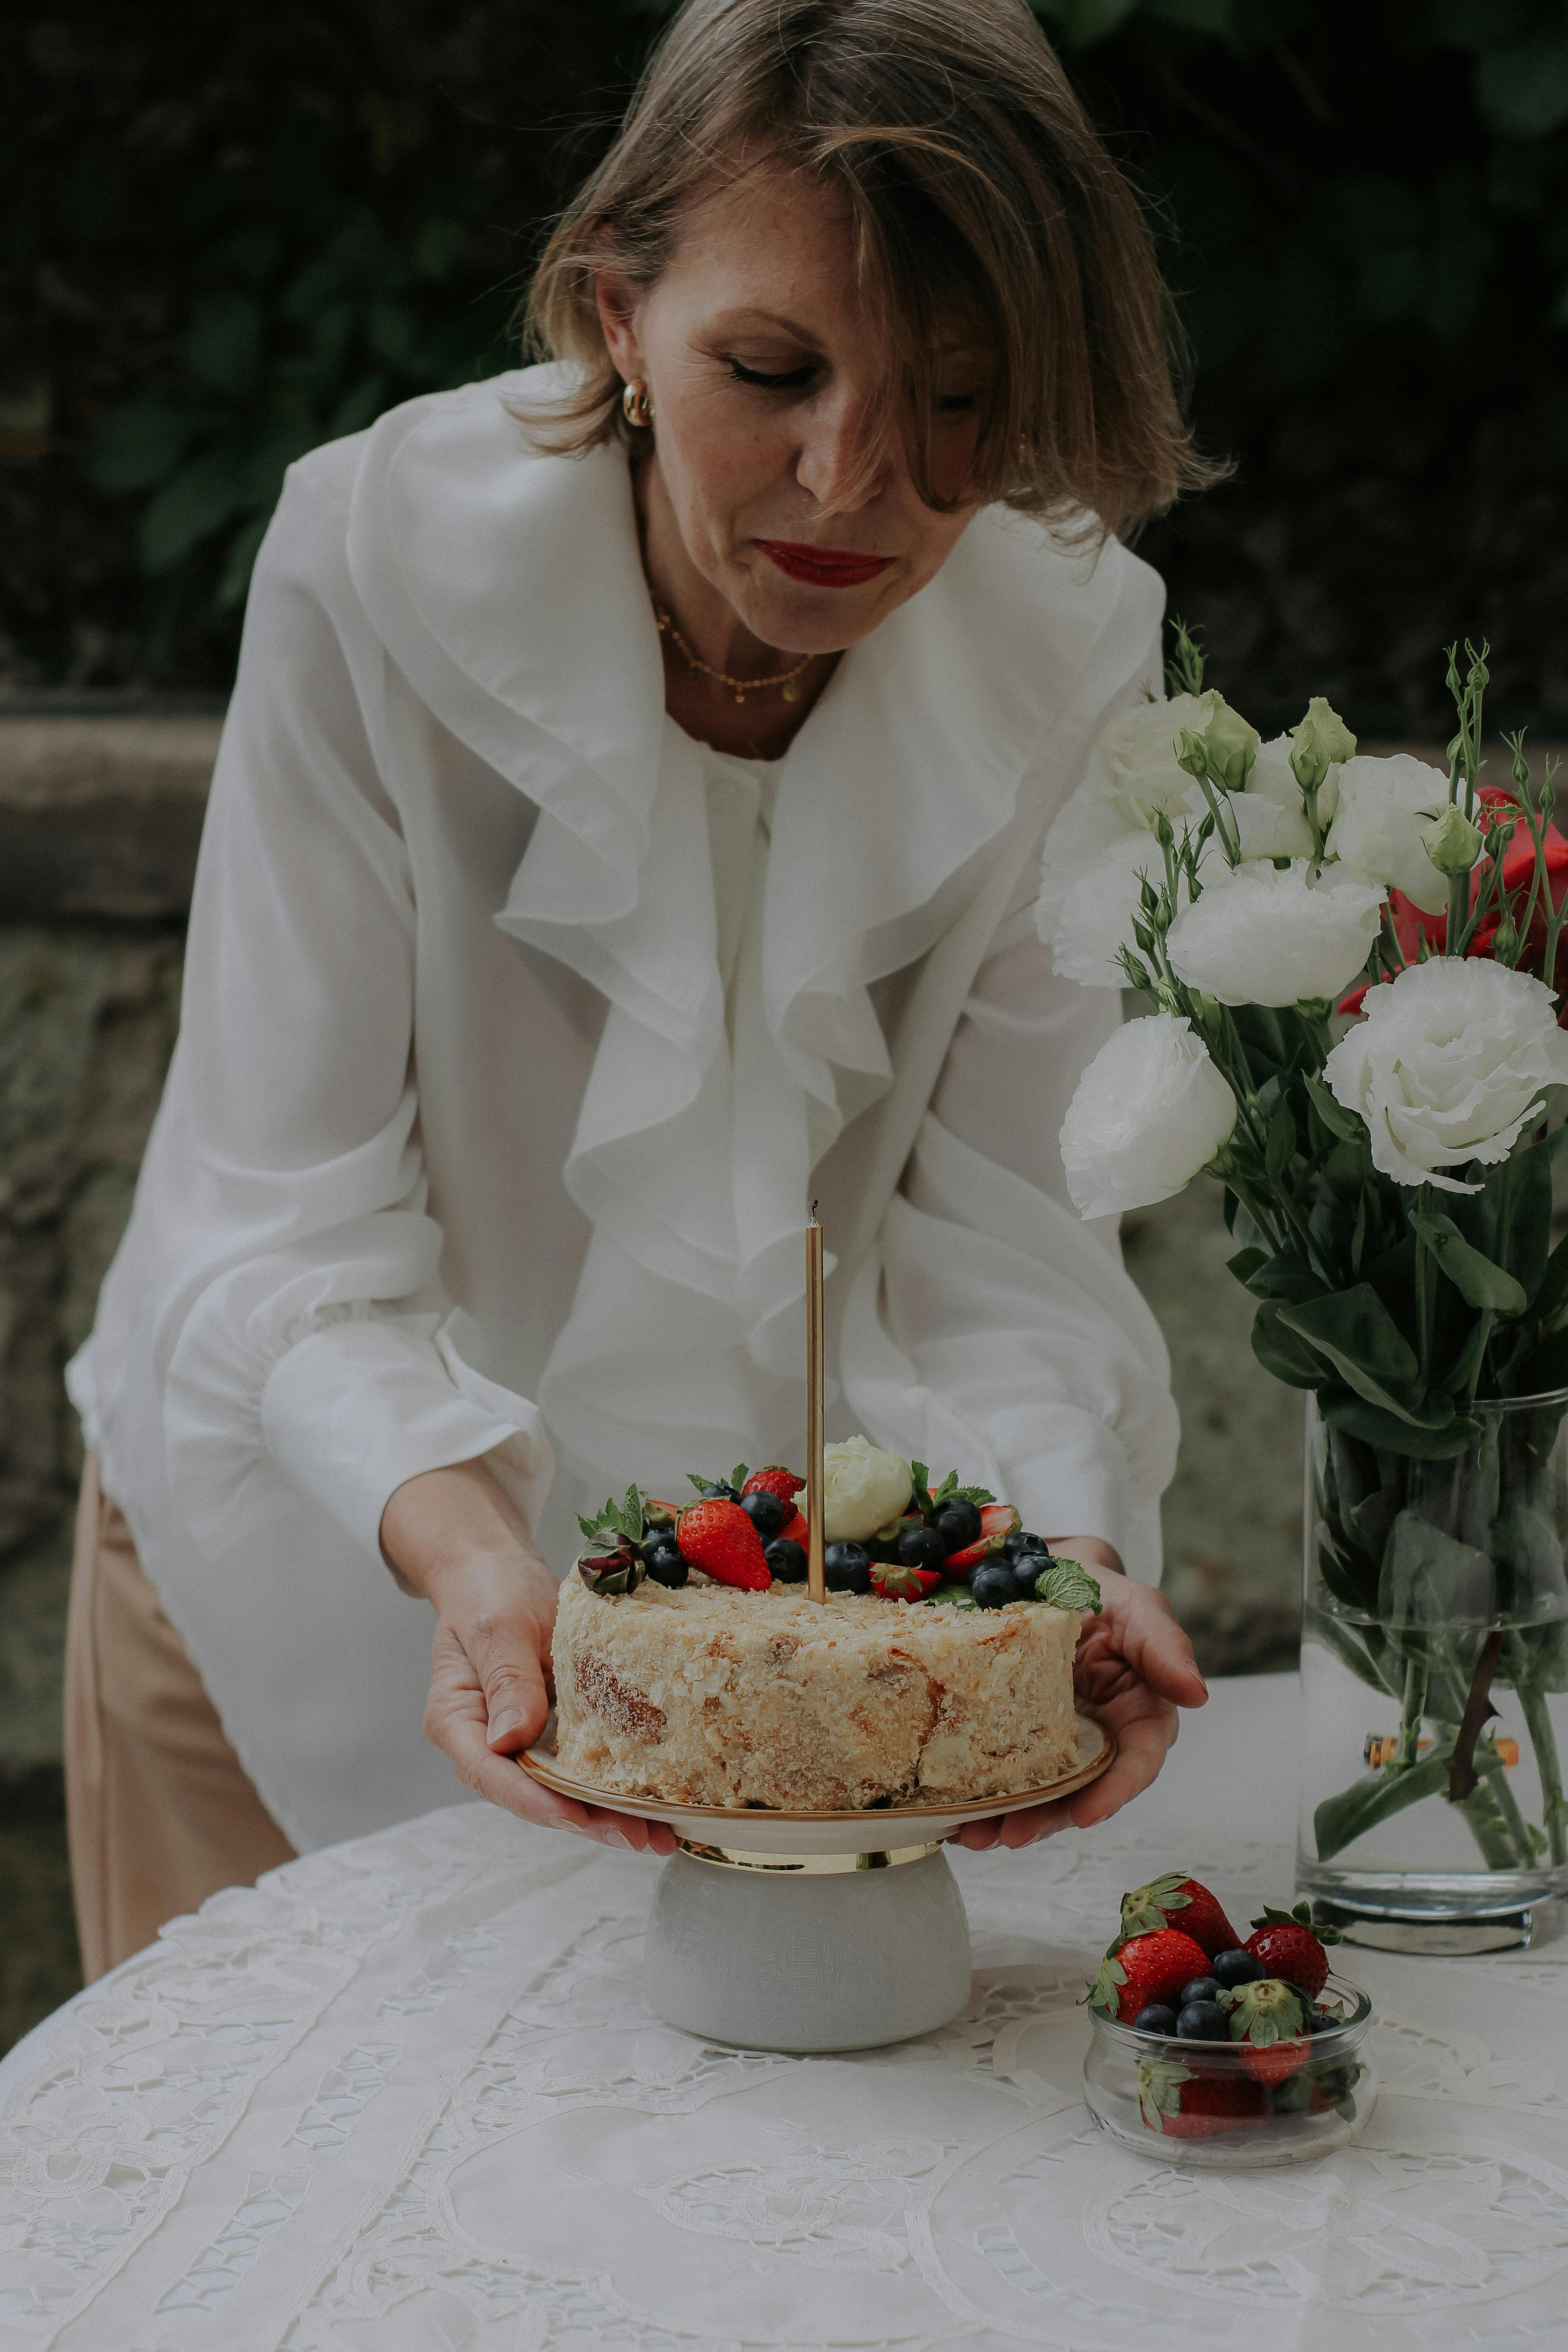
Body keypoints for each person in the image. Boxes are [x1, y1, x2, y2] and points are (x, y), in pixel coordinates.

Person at [65, 0, 1218, 1981]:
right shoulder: (372, 555)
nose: (854, 477)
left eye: (960, 399)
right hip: (304, 1553)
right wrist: (477, 1565)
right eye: (767, 369)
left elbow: (1006, 1239)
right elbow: (285, 1212)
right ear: (616, 314)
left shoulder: (1079, 636)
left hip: (783, 1693)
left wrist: (1062, 1565)